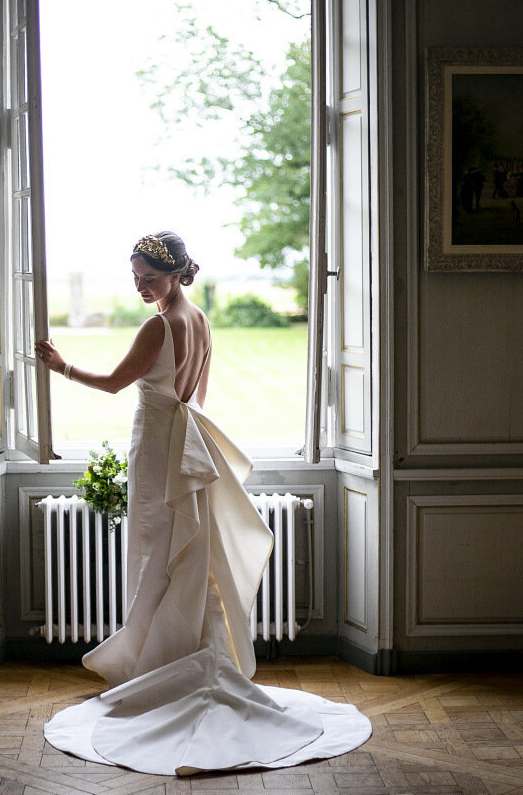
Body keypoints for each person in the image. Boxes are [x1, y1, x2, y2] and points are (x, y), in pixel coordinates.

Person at [35, 231, 371, 776]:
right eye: (135, 277)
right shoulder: (201, 319)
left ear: (174, 274)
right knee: (184, 554)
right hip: (185, 442)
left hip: (158, 448)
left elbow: (119, 383)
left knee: (155, 554)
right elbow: (199, 396)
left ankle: (165, 667)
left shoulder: (160, 324)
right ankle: (187, 658)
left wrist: (62, 367)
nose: (141, 286)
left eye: (150, 277)